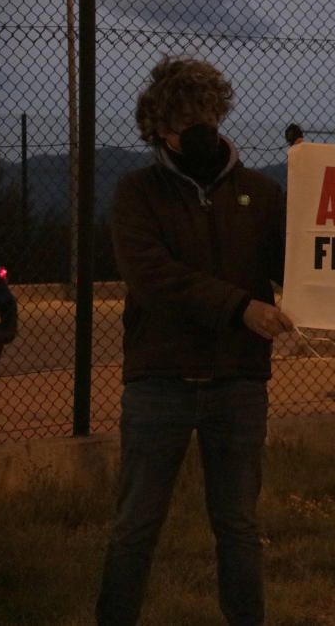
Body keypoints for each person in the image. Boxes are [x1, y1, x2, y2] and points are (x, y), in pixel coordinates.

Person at [97, 56, 292, 626]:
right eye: (186, 117)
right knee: (136, 525)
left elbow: (298, 265)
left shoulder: (261, 192)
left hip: (238, 384)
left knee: (239, 528)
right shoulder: (138, 193)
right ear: (160, 127)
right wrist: (240, 308)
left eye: (208, 111)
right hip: (159, 384)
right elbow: (155, 279)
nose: (202, 125)